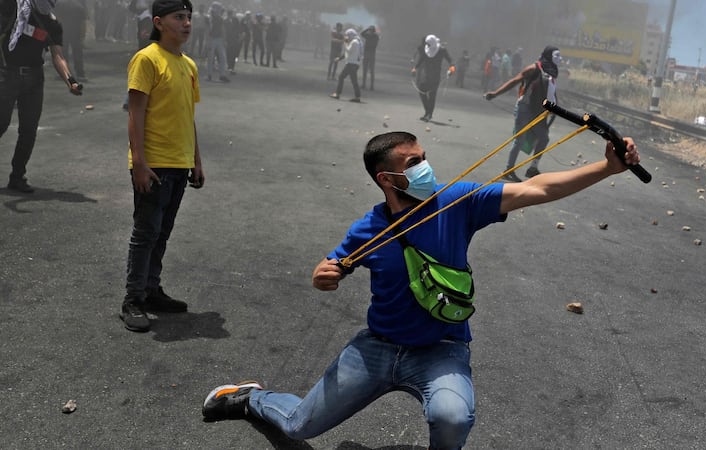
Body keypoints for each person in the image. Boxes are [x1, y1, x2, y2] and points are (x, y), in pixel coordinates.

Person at [201, 130, 640, 449]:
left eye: (423, 156)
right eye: (413, 163)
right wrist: (322, 274)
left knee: (451, 417)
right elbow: (331, 266)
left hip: (441, 348)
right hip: (375, 348)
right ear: (386, 179)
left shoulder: (457, 202)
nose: (426, 166)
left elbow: (536, 187)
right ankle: (251, 397)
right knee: (298, 427)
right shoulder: (368, 229)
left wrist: (609, 167)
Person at [120, 0, 205, 332]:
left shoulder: (189, 65)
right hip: (153, 163)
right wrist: (138, 163)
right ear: (158, 22)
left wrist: (196, 161)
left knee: (162, 233)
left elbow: (189, 117)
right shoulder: (147, 59)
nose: (186, 23)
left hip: (179, 163)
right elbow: (135, 113)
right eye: (178, 17)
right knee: (145, 233)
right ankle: (133, 300)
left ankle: (151, 290)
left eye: (188, 17)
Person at [0, 0, 83, 193]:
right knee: (1, 123)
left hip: (34, 79)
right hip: (6, 75)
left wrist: (70, 81)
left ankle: (17, 176)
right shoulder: (12, 7)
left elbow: (58, 55)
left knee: (28, 130)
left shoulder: (52, 24)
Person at [484, 45, 561, 181]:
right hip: (525, 108)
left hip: (539, 111)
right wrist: (495, 94)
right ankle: (508, 170)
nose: (560, 59)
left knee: (543, 138)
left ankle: (533, 168)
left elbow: (551, 91)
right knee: (519, 140)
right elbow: (514, 81)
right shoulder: (533, 69)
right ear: (549, 56)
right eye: (557, 56)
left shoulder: (552, 72)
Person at [412, 34, 453, 122]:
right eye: (427, 44)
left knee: (432, 95)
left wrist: (452, 67)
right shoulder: (426, 50)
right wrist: (415, 68)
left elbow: (450, 60)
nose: (427, 46)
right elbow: (421, 59)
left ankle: (429, 114)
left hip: (435, 76)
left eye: (429, 44)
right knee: (421, 91)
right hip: (426, 75)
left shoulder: (441, 50)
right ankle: (427, 111)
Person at [329, 28, 361, 103]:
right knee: (354, 81)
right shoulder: (355, 42)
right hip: (353, 64)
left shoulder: (354, 42)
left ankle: (337, 94)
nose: (346, 37)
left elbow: (348, 50)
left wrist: (345, 43)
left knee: (341, 77)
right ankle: (357, 97)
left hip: (351, 64)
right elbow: (348, 53)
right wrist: (339, 58)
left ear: (350, 35)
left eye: (347, 35)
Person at [205, 1, 228, 82]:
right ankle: (209, 75)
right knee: (210, 58)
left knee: (222, 57)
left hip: (219, 39)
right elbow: (208, 29)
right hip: (211, 38)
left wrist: (224, 39)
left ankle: (222, 75)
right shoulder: (209, 18)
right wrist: (207, 40)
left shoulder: (220, 18)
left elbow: (223, 29)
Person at [360, 25, 378, 91]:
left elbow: (362, 34)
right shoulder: (372, 36)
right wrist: (367, 29)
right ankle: (365, 85)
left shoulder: (375, 36)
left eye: (371, 30)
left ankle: (371, 86)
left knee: (371, 71)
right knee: (366, 70)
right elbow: (361, 34)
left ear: (373, 31)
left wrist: (367, 29)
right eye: (370, 30)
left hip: (370, 54)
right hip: (369, 54)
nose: (371, 31)